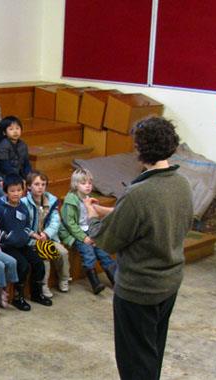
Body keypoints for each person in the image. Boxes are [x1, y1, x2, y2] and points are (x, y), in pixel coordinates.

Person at [87, 117, 193, 380]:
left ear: (139, 149)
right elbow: (154, 219)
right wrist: (109, 211)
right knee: (151, 352)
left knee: (135, 363)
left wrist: (91, 215)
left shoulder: (138, 193)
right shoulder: (181, 184)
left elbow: (106, 240)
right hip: (168, 283)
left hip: (138, 290)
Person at [0, 176, 52, 307]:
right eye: (12, 191)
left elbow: (26, 226)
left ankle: (37, 294)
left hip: (23, 244)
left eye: (19, 190)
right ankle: (17, 297)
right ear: (6, 192)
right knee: (23, 265)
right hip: (7, 247)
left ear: (23, 191)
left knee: (39, 263)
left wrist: (33, 235)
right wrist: (9, 236)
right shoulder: (1, 209)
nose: (16, 193)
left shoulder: (23, 207)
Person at [59, 168, 114, 294]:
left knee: (103, 251)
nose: (88, 186)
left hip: (90, 230)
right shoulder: (70, 200)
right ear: (75, 184)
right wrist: (84, 238)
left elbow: (92, 217)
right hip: (77, 233)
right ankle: (95, 284)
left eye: (89, 183)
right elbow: (70, 224)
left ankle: (115, 279)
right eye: (84, 183)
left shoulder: (88, 198)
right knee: (89, 254)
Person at [22, 171, 71, 298]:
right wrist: (33, 234)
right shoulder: (24, 203)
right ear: (28, 186)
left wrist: (47, 234)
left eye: (43, 184)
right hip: (32, 239)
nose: (40, 187)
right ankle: (43, 285)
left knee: (63, 253)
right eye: (37, 184)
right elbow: (23, 225)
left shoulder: (51, 201)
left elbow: (56, 221)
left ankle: (64, 278)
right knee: (45, 256)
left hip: (47, 237)